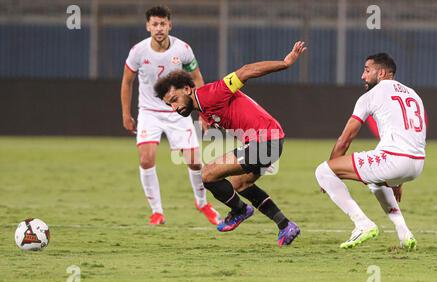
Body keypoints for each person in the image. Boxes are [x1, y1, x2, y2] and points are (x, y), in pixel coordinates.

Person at [154, 41, 307, 247]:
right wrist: (206, 117)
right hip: (269, 140)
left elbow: (245, 71)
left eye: (174, 99)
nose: (174, 108)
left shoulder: (211, 93)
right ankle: (285, 225)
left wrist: (285, 63)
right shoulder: (203, 106)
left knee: (207, 175)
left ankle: (240, 210)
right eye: (169, 104)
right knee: (239, 184)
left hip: (265, 141)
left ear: (188, 89)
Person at [315, 53, 427, 250]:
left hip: (395, 160)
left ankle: (362, 224)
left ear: (381, 72)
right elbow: (412, 137)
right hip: (417, 164)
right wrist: (397, 180)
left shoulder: (371, 95)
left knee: (322, 171)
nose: (362, 76)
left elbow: (345, 138)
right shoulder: (413, 94)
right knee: (375, 181)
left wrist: (332, 171)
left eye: (367, 70)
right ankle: (404, 232)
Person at [121, 6, 220, 225]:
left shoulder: (182, 49)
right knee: (146, 159)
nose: (159, 28)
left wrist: (203, 113)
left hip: (178, 112)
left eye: (162, 24)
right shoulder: (138, 51)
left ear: (169, 25)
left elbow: (198, 78)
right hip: (149, 113)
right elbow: (127, 81)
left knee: (195, 162)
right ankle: (157, 212)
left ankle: (202, 203)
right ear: (148, 26)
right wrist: (126, 114)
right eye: (154, 24)